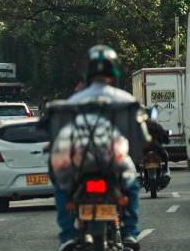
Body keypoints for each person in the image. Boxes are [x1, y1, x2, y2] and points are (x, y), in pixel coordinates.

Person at [52, 45, 141, 251]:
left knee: (61, 187)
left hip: (79, 163)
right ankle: (130, 232)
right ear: (114, 72)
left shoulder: (75, 100)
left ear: (88, 73)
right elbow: (140, 135)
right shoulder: (125, 100)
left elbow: (61, 133)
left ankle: (67, 235)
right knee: (132, 186)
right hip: (115, 162)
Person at [144, 111, 171, 177]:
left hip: (143, 147)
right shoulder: (155, 124)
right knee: (165, 154)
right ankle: (165, 169)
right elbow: (164, 135)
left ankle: (165, 169)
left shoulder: (140, 125)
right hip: (155, 146)